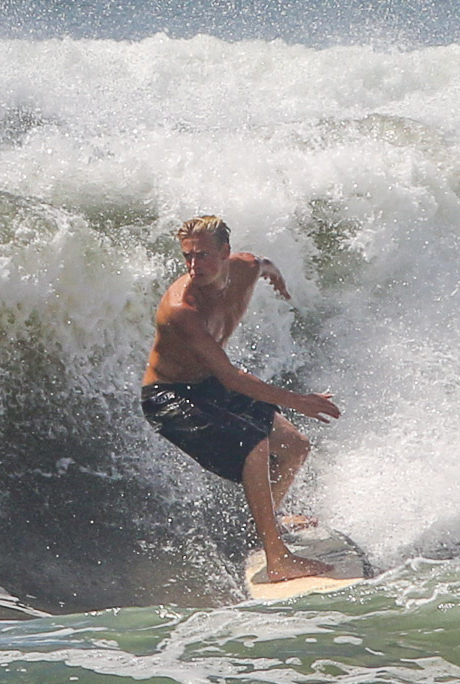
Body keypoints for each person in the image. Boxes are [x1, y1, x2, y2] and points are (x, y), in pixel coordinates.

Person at [141, 215, 341, 583]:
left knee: (295, 446)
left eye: (202, 256)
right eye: (187, 257)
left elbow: (263, 263)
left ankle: (263, 526)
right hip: (168, 396)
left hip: (208, 385)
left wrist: (276, 277)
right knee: (256, 446)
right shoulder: (181, 309)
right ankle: (277, 558)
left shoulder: (246, 267)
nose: (193, 265)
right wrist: (299, 401)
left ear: (225, 253)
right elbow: (231, 377)